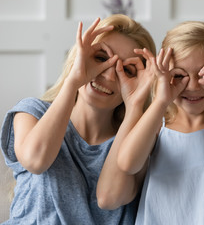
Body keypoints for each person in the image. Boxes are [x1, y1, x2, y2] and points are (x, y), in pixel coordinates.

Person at [0, 14, 156, 224]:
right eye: (100, 58)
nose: (109, 76)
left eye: (126, 70)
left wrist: (136, 104)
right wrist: (74, 79)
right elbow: (36, 161)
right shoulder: (32, 112)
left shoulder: (137, 144)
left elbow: (110, 198)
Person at [113, 21, 204, 225]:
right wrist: (161, 100)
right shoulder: (158, 125)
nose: (193, 86)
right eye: (179, 76)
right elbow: (128, 163)